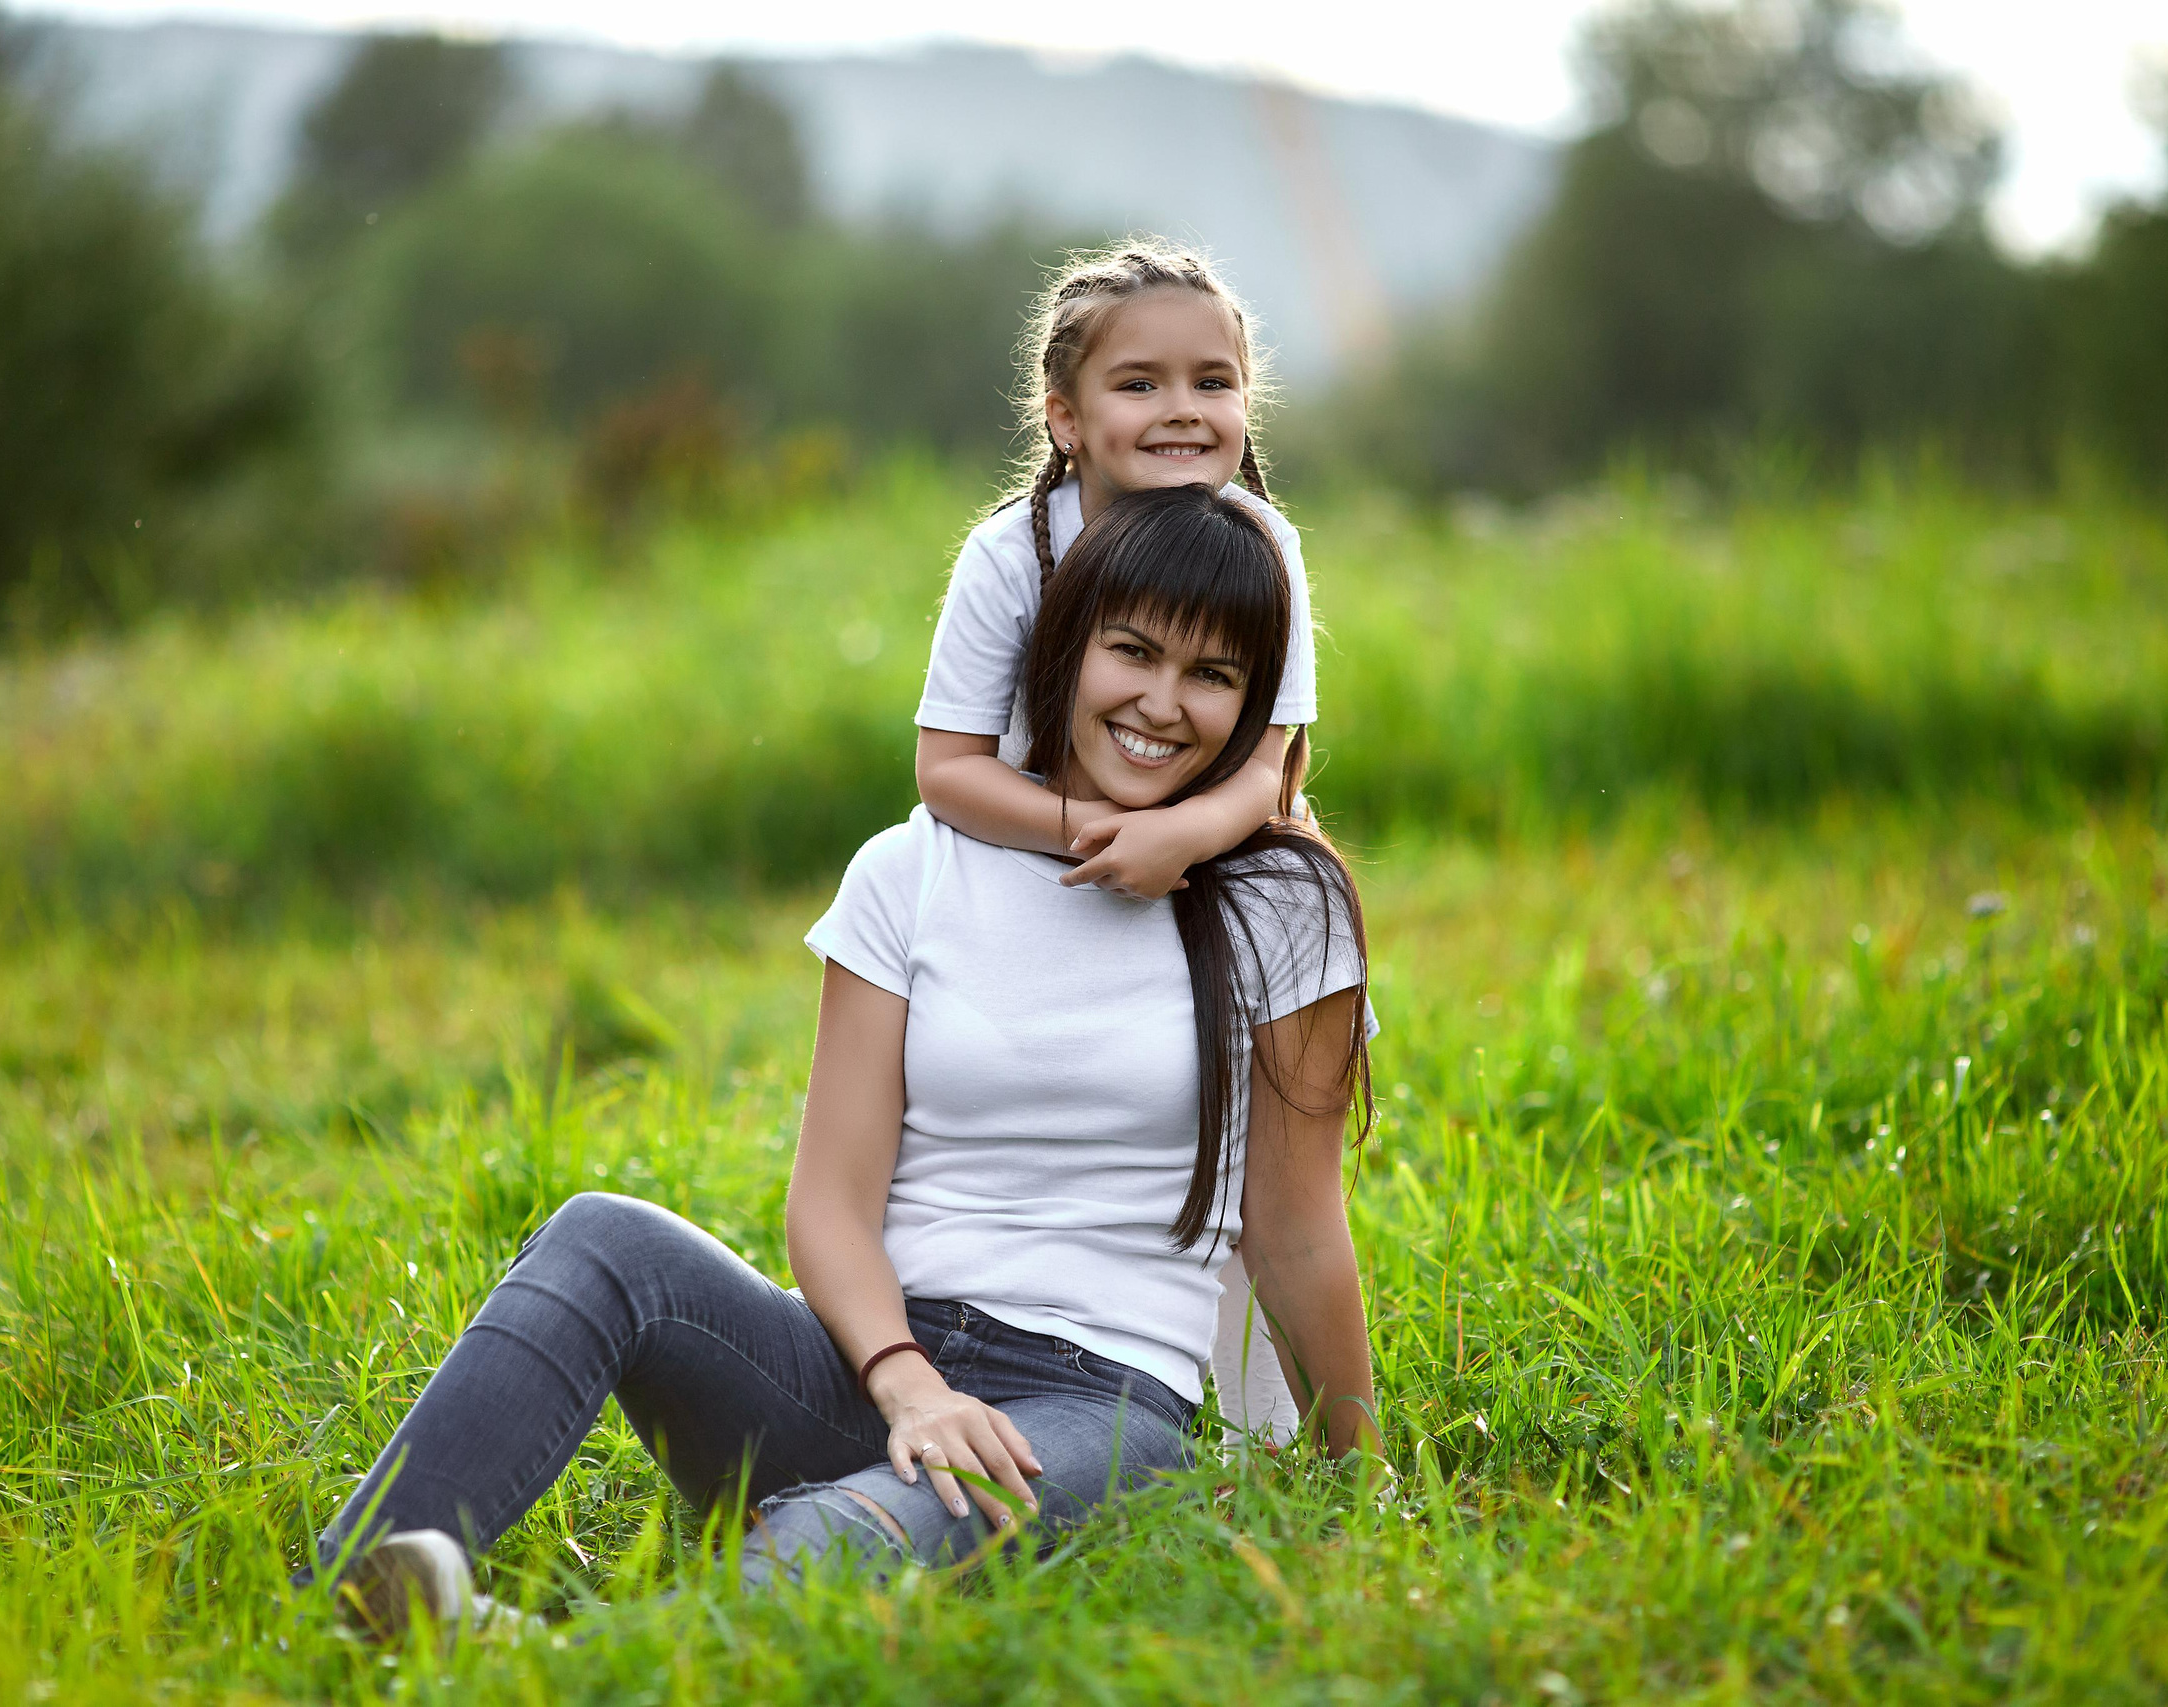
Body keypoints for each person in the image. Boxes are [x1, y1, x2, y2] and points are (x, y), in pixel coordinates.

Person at [309, 485, 1382, 1641]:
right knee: (601, 1240)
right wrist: (908, 1381)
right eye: (1132, 651)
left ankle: (554, 1663)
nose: (1161, 705)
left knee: (848, 1532)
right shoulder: (911, 871)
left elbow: (1297, 1229)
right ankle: (350, 1595)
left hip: (1099, 1404)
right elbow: (829, 1201)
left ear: (1255, 702)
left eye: (1212, 675)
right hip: (867, 1360)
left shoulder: (1283, 901)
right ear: (1067, 646)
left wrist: (1359, 1491)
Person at [915, 240, 1320, 1442]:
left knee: (1233, 1124)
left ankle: (1254, 1398)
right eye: (1139, 384)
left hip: (1211, 841)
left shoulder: (1263, 543)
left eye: (1213, 381)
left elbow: (1274, 764)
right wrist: (1092, 831)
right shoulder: (1010, 555)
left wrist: (1183, 839)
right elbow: (945, 771)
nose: (1182, 409)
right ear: (1066, 418)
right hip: (1044, 850)